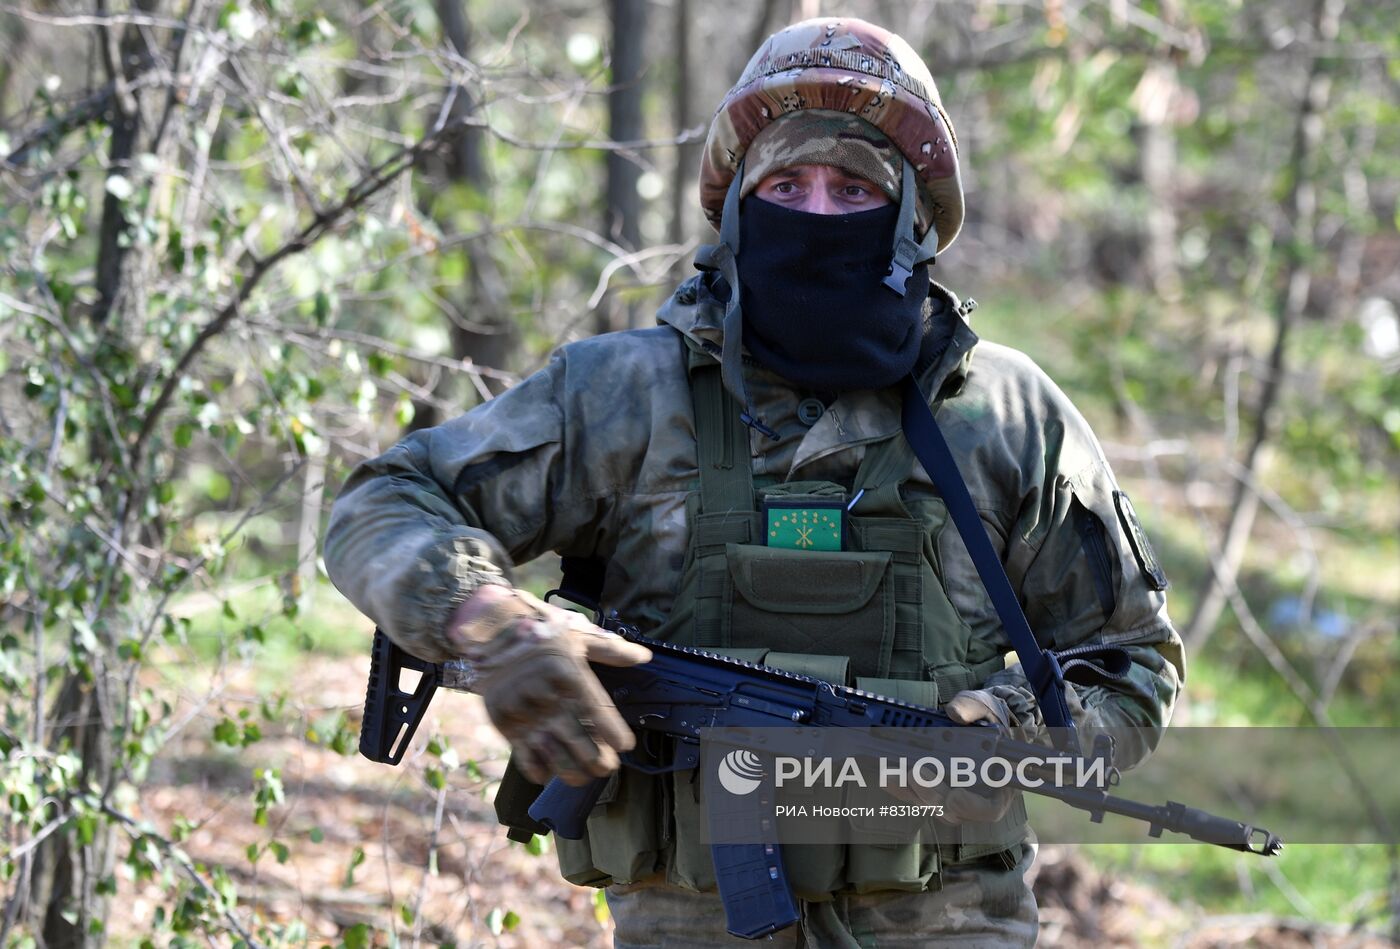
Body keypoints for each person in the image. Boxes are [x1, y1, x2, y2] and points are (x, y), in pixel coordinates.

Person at [324, 16, 1184, 947]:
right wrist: (490, 621)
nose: (815, 216)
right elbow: (383, 502)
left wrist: (1014, 729)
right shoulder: (625, 396)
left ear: (909, 225)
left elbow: (1129, 661)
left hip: (952, 921)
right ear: (738, 212)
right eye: (785, 186)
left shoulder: (1005, 415)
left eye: (854, 189)